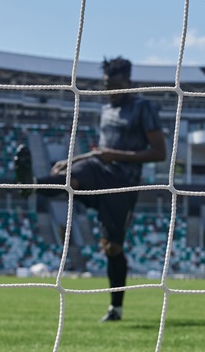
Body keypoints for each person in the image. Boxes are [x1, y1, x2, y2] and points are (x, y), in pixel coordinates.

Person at [13, 56, 166, 322]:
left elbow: (159, 152)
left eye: (115, 85)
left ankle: (115, 308)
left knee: (113, 248)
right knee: (70, 178)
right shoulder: (106, 110)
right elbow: (101, 153)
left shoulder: (143, 107)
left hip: (123, 183)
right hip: (99, 169)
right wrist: (71, 159)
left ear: (127, 83)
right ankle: (31, 185)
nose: (109, 91)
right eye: (106, 85)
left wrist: (117, 154)